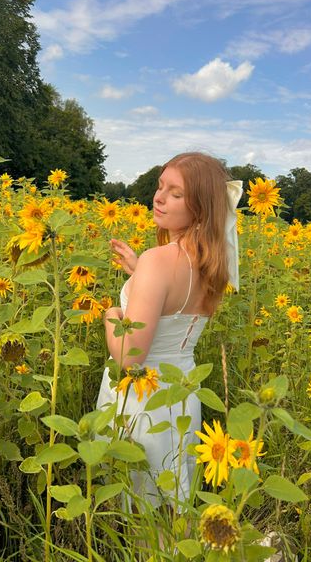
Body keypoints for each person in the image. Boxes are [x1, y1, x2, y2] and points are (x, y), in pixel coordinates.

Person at [96, 152, 243, 506]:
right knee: (169, 502)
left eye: (175, 194)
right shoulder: (211, 264)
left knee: (136, 510)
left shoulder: (158, 261)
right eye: (160, 187)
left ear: (201, 208)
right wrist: (139, 274)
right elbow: (176, 306)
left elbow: (130, 358)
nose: (159, 198)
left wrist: (112, 314)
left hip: (141, 398)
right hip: (181, 395)